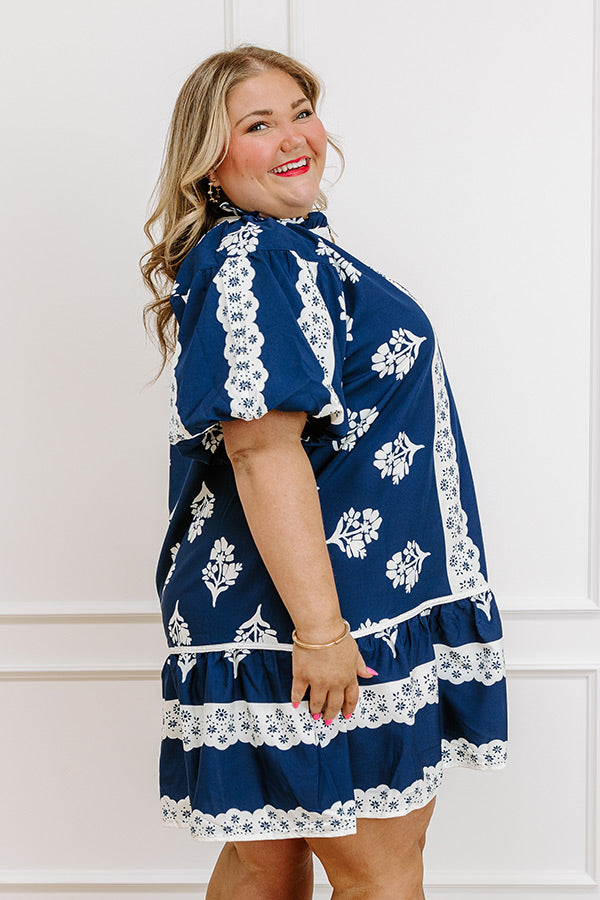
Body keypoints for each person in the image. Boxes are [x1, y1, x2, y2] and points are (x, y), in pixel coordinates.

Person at [142, 44, 508, 900]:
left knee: (262, 861)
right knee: (380, 872)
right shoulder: (258, 257)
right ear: (210, 161)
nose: (292, 138)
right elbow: (260, 447)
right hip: (319, 617)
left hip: (297, 610)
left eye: (300, 113)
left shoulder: (287, 249)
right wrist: (321, 631)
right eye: (257, 125)